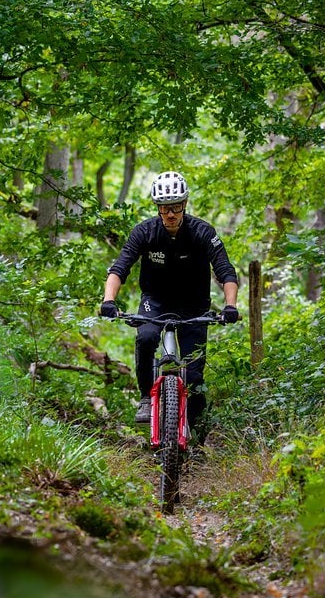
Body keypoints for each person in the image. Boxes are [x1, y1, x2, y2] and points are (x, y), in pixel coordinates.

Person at [99, 170, 239, 433]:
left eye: (175, 207)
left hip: (194, 304)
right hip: (156, 301)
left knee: (195, 377)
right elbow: (119, 268)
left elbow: (225, 271)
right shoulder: (145, 232)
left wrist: (230, 306)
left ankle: (198, 435)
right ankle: (144, 397)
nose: (171, 214)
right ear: (158, 209)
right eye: (165, 209)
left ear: (184, 205)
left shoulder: (202, 232)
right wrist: (109, 300)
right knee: (145, 338)